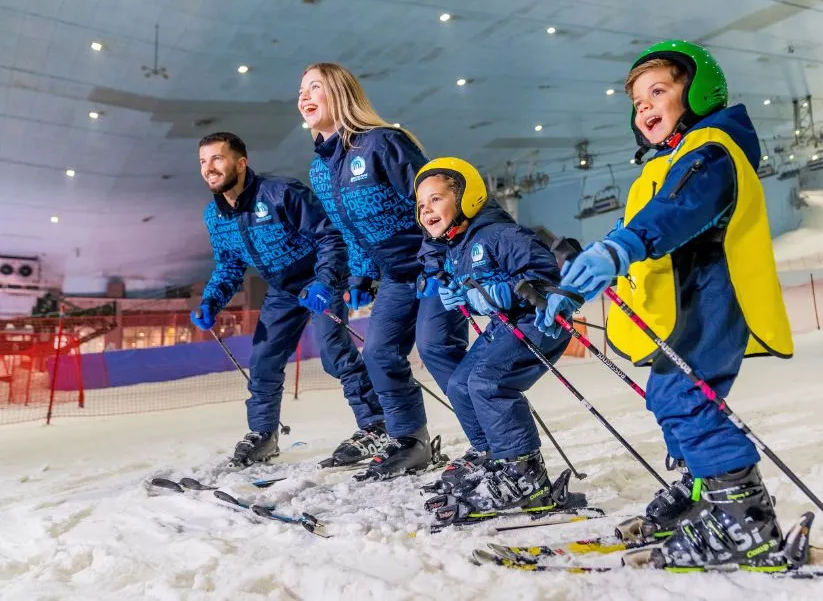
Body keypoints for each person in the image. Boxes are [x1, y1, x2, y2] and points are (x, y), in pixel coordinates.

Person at [538, 40, 795, 570]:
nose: (646, 108)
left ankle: (745, 522)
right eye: (638, 102)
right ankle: (706, 495)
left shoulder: (711, 151)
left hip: (714, 296)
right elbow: (641, 221)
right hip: (687, 301)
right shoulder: (672, 161)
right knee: (668, 394)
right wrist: (580, 282)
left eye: (658, 92)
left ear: (698, 92)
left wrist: (624, 246)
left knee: (685, 398)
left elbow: (679, 210)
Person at [298, 63, 468, 479]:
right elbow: (348, 228)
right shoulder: (320, 168)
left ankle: (496, 446)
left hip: (438, 264)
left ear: (340, 93)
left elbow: (434, 200)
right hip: (397, 275)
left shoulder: (383, 143)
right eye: (301, 90)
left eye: (315, 87)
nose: (303, 96)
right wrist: (360, 274)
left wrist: (436, 261)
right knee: (378, 353)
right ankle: (410, 441)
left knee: (436, 347)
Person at [192, 132, 386, 468]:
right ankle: (263, 434)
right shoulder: (215, 215)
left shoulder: (280, 193)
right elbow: (229, 265)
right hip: (283, 289)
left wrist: (325, 281)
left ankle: (377, 425)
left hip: (318, 279)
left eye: (217, 159)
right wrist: (211, 301)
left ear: (241, 163)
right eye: (203, 161)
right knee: (264, 361)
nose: (209, 168)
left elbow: (330, 236)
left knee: (335, 354)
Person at [413, 157, 573, 525]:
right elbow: (475, 289)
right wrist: (461, 295)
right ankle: (494, 457)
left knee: (488, 383)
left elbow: (545, 275)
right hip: (507, 324)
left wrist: (505, 292)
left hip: (540, 322)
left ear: (466, 197)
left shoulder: (500, 234)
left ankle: (525, 475)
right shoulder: (458, 245)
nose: (427, 211)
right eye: (421, 206)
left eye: (436, 199)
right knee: (460, 383)